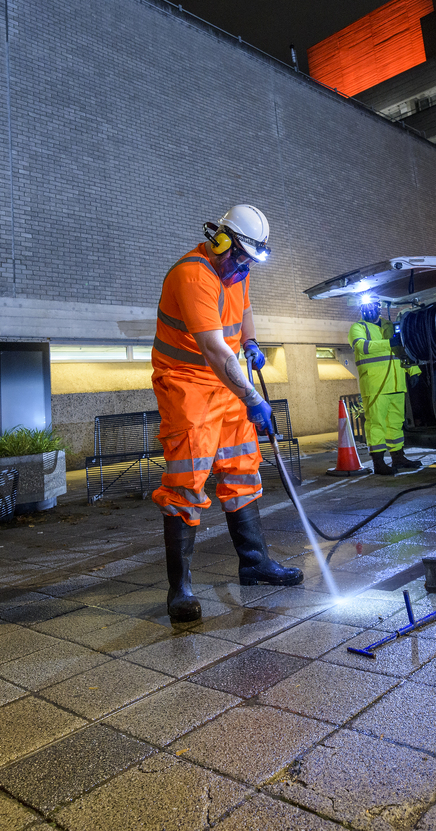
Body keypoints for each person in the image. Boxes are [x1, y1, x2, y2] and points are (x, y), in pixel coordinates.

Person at [151, 204, 302, 622]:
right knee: (187, 479)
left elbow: (243, 308)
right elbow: (216, 350)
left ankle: (254, 564)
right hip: (188, 384)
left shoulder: (237, 269)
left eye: (250, 263)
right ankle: (179, 589)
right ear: (220, 240)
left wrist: (251, 342)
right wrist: (253, 398)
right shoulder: (193, 274)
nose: (243, 269)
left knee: (241, 469)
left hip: (224, 382)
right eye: (240, 259)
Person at [349, 300, 422, 475]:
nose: (370, 311)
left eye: (373, 307)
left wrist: (414, 370)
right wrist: (389, 342)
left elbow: (402, 349)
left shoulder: (390, 325)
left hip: (396, 383)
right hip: (375, 385)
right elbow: (362, 347)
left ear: (378, 308)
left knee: (396, 423)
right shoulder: (358, 328)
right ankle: (379, 462)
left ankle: (398, 457)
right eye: (366, 308)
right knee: (376, 424)